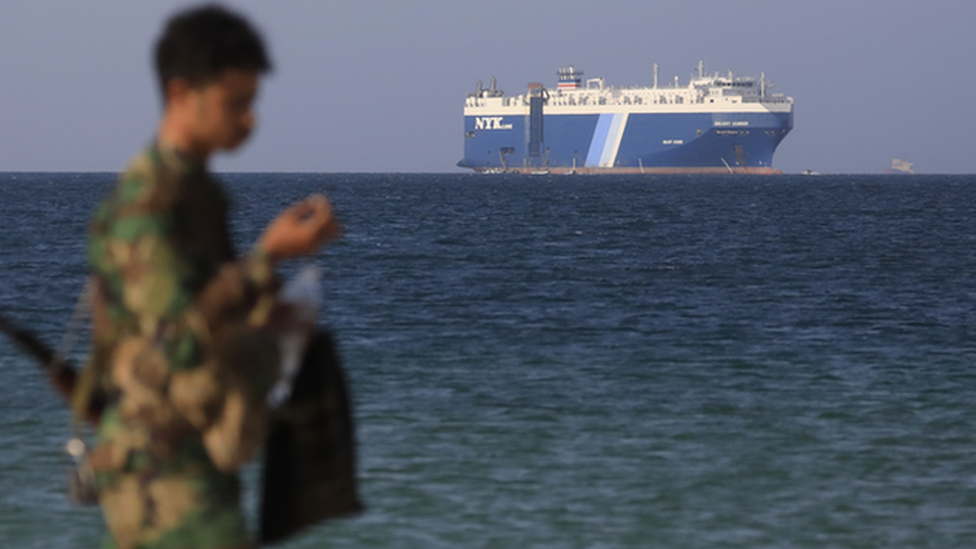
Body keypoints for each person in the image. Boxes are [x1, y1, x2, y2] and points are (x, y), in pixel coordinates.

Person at [81, 4, 340, 548]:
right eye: (236, 103)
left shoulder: (192, 194)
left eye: (253, 103)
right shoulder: (149, 206)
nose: (251, 120)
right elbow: (170, 344)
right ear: (182, 96)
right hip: (162, 474)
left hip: (181, 459)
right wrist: (267, 260)